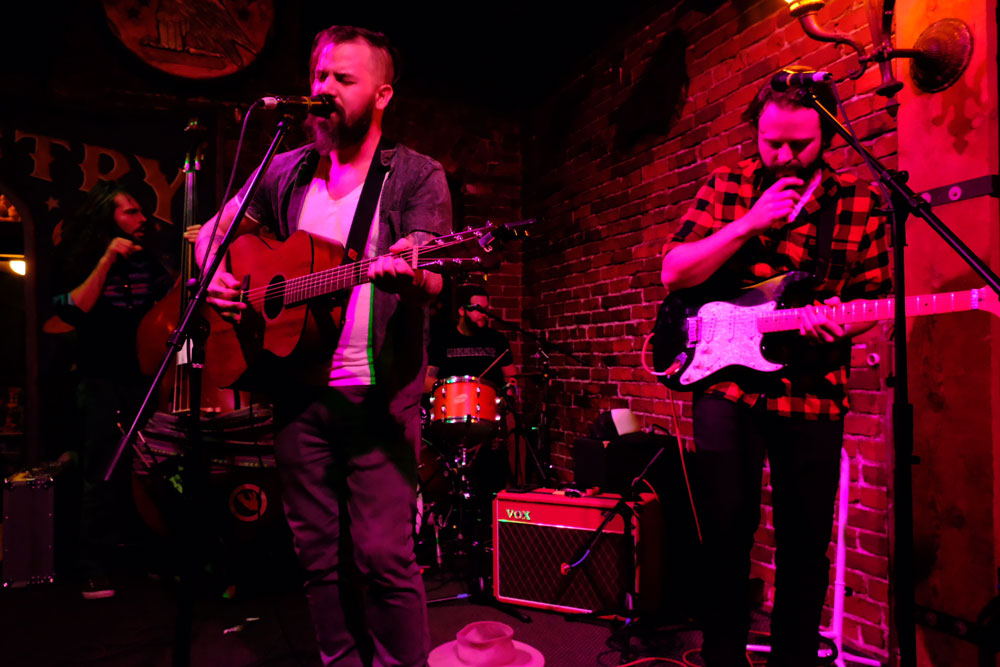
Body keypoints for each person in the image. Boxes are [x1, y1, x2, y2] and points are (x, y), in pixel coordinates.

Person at [196, 26, 451, 667]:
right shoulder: (285, 170)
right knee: (316, 555)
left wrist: (409, 269)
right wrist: (216, 277)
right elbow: (214, 232)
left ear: (382, 94)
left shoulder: (416, 175)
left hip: (378, 393)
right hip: (295, 390)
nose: (324, 89)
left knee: (385, 556)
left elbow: (436, 272)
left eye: (343, 79)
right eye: (319, 77)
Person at [660, 69, 891, 667]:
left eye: (800, 144)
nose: (783, 155)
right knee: (726, 534)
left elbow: (873, 299)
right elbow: (675, 271)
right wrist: (747, 224)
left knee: (805, 543)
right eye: (771, 142)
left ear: (830, 137)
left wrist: (842, 320)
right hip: (726, 384)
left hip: (813, 389)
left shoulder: (861, 204)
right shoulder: (728, 185)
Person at [51, 180, 173, 599]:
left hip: (146, 378)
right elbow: (74, 308)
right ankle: (93, 566)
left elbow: (175, 307)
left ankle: (151, 554)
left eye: (142, 212)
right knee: (101, 470)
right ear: (109, 218)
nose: (143, 220)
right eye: (131, 212)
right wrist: (105, 259)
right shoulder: (83, 258)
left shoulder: (151, 263)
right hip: (100, 378)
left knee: (153, 468)